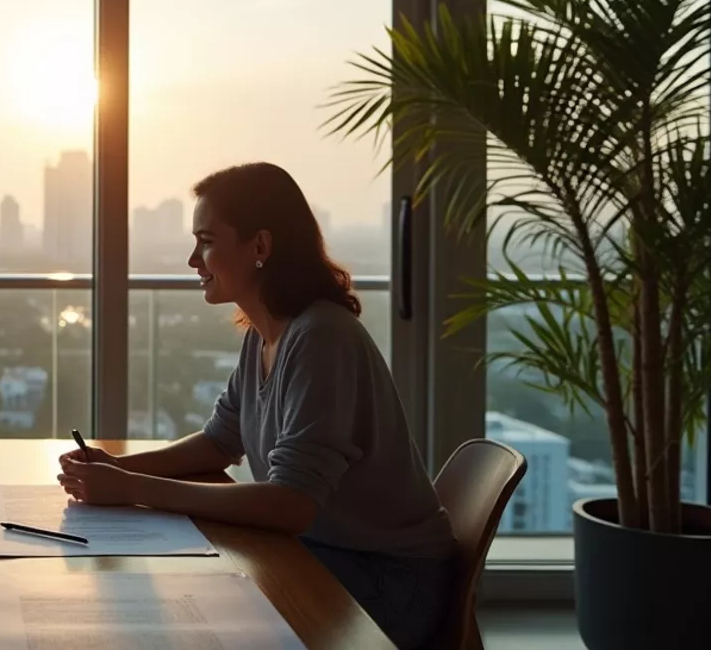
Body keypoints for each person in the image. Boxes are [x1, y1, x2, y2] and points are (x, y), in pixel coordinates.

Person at [57, 162, 455, 649]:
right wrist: (117, 467)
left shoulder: (321, 338)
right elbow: (219, 442)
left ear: (260, 247)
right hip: (322, 553)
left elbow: (290, 505)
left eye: (206, 241)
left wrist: (132, 487)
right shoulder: (266, 332)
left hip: (387, 579)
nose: (192, 260)